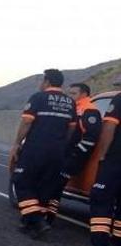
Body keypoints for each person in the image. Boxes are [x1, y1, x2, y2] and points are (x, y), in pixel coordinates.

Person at [9, 69, 77, 238]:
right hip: (58, 152)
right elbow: (72, 128)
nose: (40, 84)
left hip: (36, 149)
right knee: (44, 187)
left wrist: (17, 144)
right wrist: (61, 144)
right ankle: (29, 223)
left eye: (42, 81)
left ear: (47, 82)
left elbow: (26, 122)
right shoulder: (70, 102)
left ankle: (38, 221)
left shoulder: (38, 98)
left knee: (21, 181)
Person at [45, 83, 102, 223]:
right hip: (64, 155)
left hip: (73, 158)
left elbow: (91, 138)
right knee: (53, 187)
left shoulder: (89, 110)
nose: (70, 96)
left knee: (55, 187)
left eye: (73, 93)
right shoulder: (75, 108)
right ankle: (46, 216)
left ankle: (47, 219)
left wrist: (75, 154)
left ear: (83, 94)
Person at [88, 91, 121, 246]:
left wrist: (102, 154)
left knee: (101, 200)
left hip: (116, 160)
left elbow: (109, 127)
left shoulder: (119, 99)